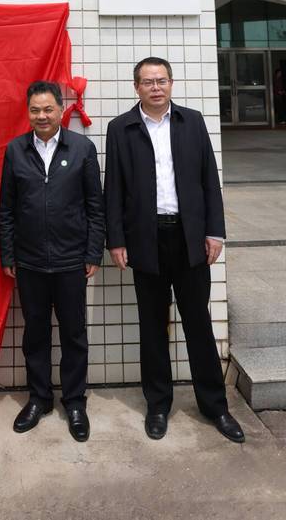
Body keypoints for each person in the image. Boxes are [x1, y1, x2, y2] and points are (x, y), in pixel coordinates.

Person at [104, 57, 245, 444]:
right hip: (145, 239)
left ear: (171, 83)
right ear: (136, 87)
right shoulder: (121, 128)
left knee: (198, 323)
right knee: (152, 326)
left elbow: (208, 178)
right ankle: (158, 405)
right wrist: (116, 239)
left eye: (161, 80)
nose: (156, 87)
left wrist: (214, 231)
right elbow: (113, 188)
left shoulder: (192, 121)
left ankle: (215, 406)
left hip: (189, 237)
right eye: (148, 82)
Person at [0, 81, 105, 442]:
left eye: (48, 109)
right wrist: (8, 253)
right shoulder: (16, 149)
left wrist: (93, 252)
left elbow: (95, 206)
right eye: (35, 110)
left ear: (61, 111)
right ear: (28, 113)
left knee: (74, 334)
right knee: (35, 333)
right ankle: (39, 398)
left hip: (71, 260)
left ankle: (74, 402)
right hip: (29, 262)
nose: (41, 116)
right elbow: (7, 209)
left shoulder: (82, 148)